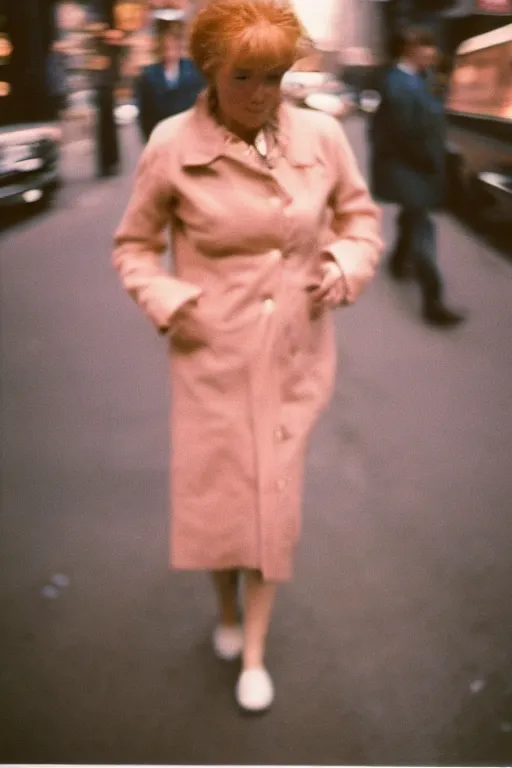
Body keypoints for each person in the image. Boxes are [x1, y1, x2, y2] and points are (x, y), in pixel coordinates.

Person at [113, 0, 382, 713]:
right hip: (212, 356)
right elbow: (134, 246)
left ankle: (254, 647)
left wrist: (346, 263)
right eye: (245, 76)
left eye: (276, 76)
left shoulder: (322, 135)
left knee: (272, 501)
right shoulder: (171, 144)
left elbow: (359, 218)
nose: (263, 94)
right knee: (220, 502)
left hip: (296, 352)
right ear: (210, 70)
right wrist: (167, 298)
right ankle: (225, 614)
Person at [369, 27, 466, 328]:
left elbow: (431, 118)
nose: (432, 53)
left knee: (413, 216)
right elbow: (404, 132)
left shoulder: (420, 80)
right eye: (426, 47)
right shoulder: (399, 83)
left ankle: (399, 262)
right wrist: (427, 161)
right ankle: (433, 300)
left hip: (415, 166)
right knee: (423, 226)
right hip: (410, 167)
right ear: (409, 49)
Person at [135, 18, 205, 142]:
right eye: (167, 48)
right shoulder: (149, 75)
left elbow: (201, 103)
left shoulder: (194, 71)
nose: (170, 53)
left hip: (189, 134)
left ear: (179, 49)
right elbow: (145, 112)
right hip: (160, 134)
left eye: (173, 48)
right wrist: (150, 139)